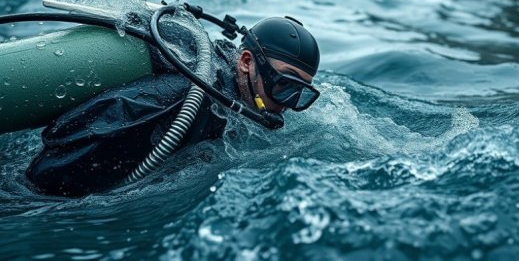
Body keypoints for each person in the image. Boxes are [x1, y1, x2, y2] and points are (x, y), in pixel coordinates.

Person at [26, 16, 320, 197]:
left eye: (301, 93)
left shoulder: (231, 95)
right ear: (245, 62)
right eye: (284, 86)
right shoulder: (184, 99)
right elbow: (52, 168)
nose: (289, 106)